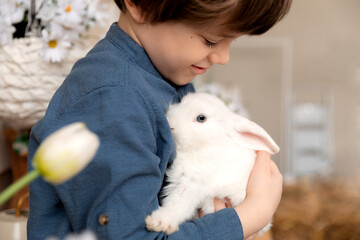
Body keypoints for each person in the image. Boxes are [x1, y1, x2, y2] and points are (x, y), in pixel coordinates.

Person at [27, 0, 292, 239]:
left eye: (233, 40)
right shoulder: (114, 101)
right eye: (211, 40)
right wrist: (251, 215)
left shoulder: (163, 75)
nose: (223, 57)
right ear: (140, 4)